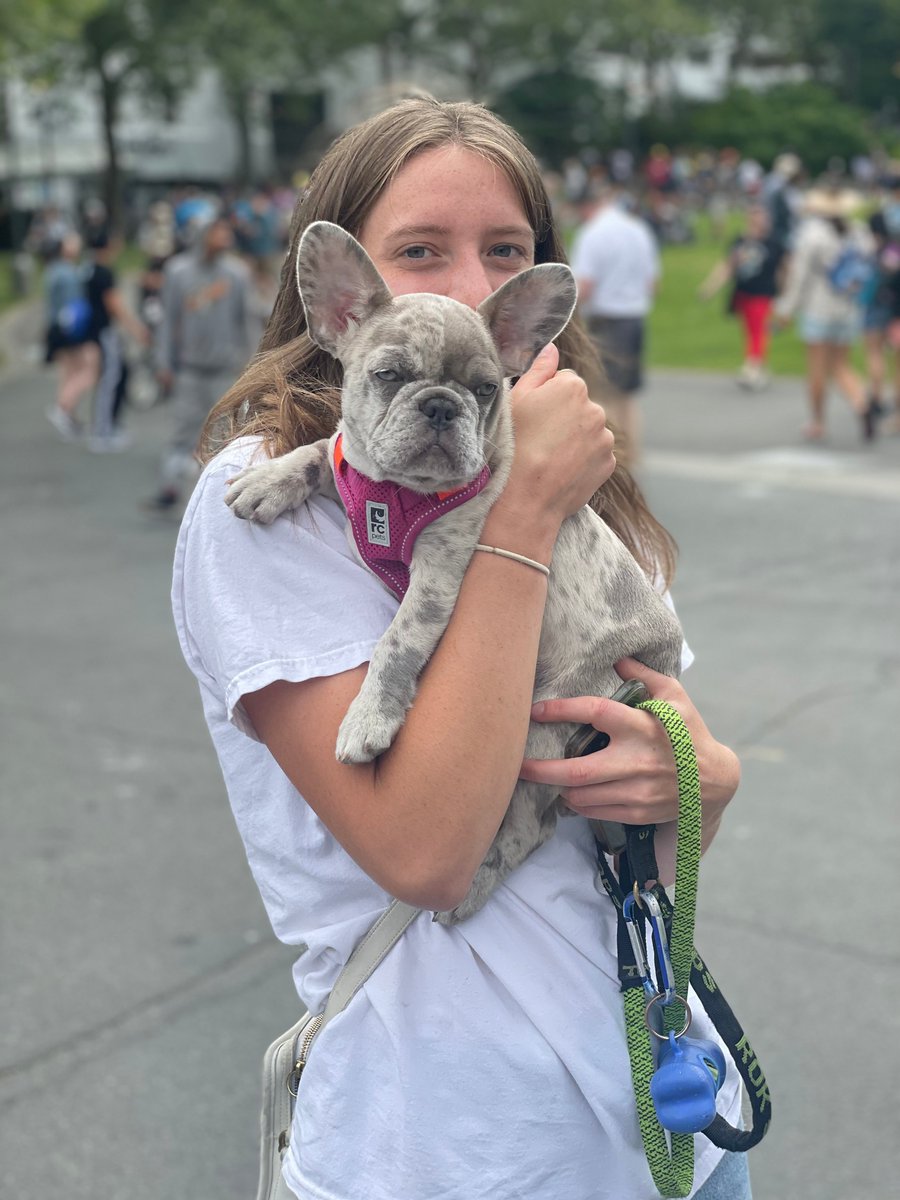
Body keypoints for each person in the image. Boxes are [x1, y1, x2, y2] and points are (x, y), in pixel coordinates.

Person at [172, 97, 747, 1200]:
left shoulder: (573, 483)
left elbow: (639, 788)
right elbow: (430, 851)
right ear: (344, 298)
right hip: (450, 1144)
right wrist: (519, 513)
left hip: (669, 1109)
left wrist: (702, 784)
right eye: (421, 250)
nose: (465, 288)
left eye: (506, 252)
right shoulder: (267, 505)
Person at [144, 215, 253, 511]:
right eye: (217, 229)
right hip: (189, 369)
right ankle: (170, 488)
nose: (224, 235)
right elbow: (168, 322)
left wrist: (251, 365)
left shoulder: (237, 273)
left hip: (224, 370)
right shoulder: (178, 272)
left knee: (221, 435)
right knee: (183, 430)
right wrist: (163, 362)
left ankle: (212, 502)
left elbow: (246, 322)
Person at [773, 187, 876, 441]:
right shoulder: (858, 232)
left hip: (819, 307)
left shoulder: (812, 234)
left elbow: (799, 276)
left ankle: (818, 421)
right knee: (842, 364)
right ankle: (861, 402)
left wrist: (785, 309)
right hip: (848, 306)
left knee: (817, 369)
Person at [570, 184, 660, 465]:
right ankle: (631, 457)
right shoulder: (638, 229)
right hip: (634, 316)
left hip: (606, 318)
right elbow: (652, 282)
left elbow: (584, 285)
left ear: (585, 207)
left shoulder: (592, 233)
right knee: (627, 396)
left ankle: (610, 461)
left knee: (601, 394)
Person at [698, 204, 785, 390]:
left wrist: (785, 295)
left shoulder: (773, 243)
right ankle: (757, 366)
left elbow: (783, 270)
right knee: (750, 331)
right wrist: (710, 287)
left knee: (759, 330)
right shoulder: (739, 242)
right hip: (743, 292)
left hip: (764, 293)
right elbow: (728, 267)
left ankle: (752, 368)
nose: (762, 221)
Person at [83, 231, 151, 452]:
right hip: (105, 332)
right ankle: (102, 431)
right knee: (110, 380)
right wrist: (136, 328)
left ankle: (109, 426)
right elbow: (114, 305)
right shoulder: (104, 272)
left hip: (96, 331)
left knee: (116, 375)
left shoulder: (89, 268)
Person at [43, 231, 100, 440]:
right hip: (70, 329)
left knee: (68, 371)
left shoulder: (54, 270)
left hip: (57, 329)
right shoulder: (67, 273)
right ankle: (62, 407)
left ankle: (67, 413)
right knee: (88, 370)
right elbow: (73, 307)